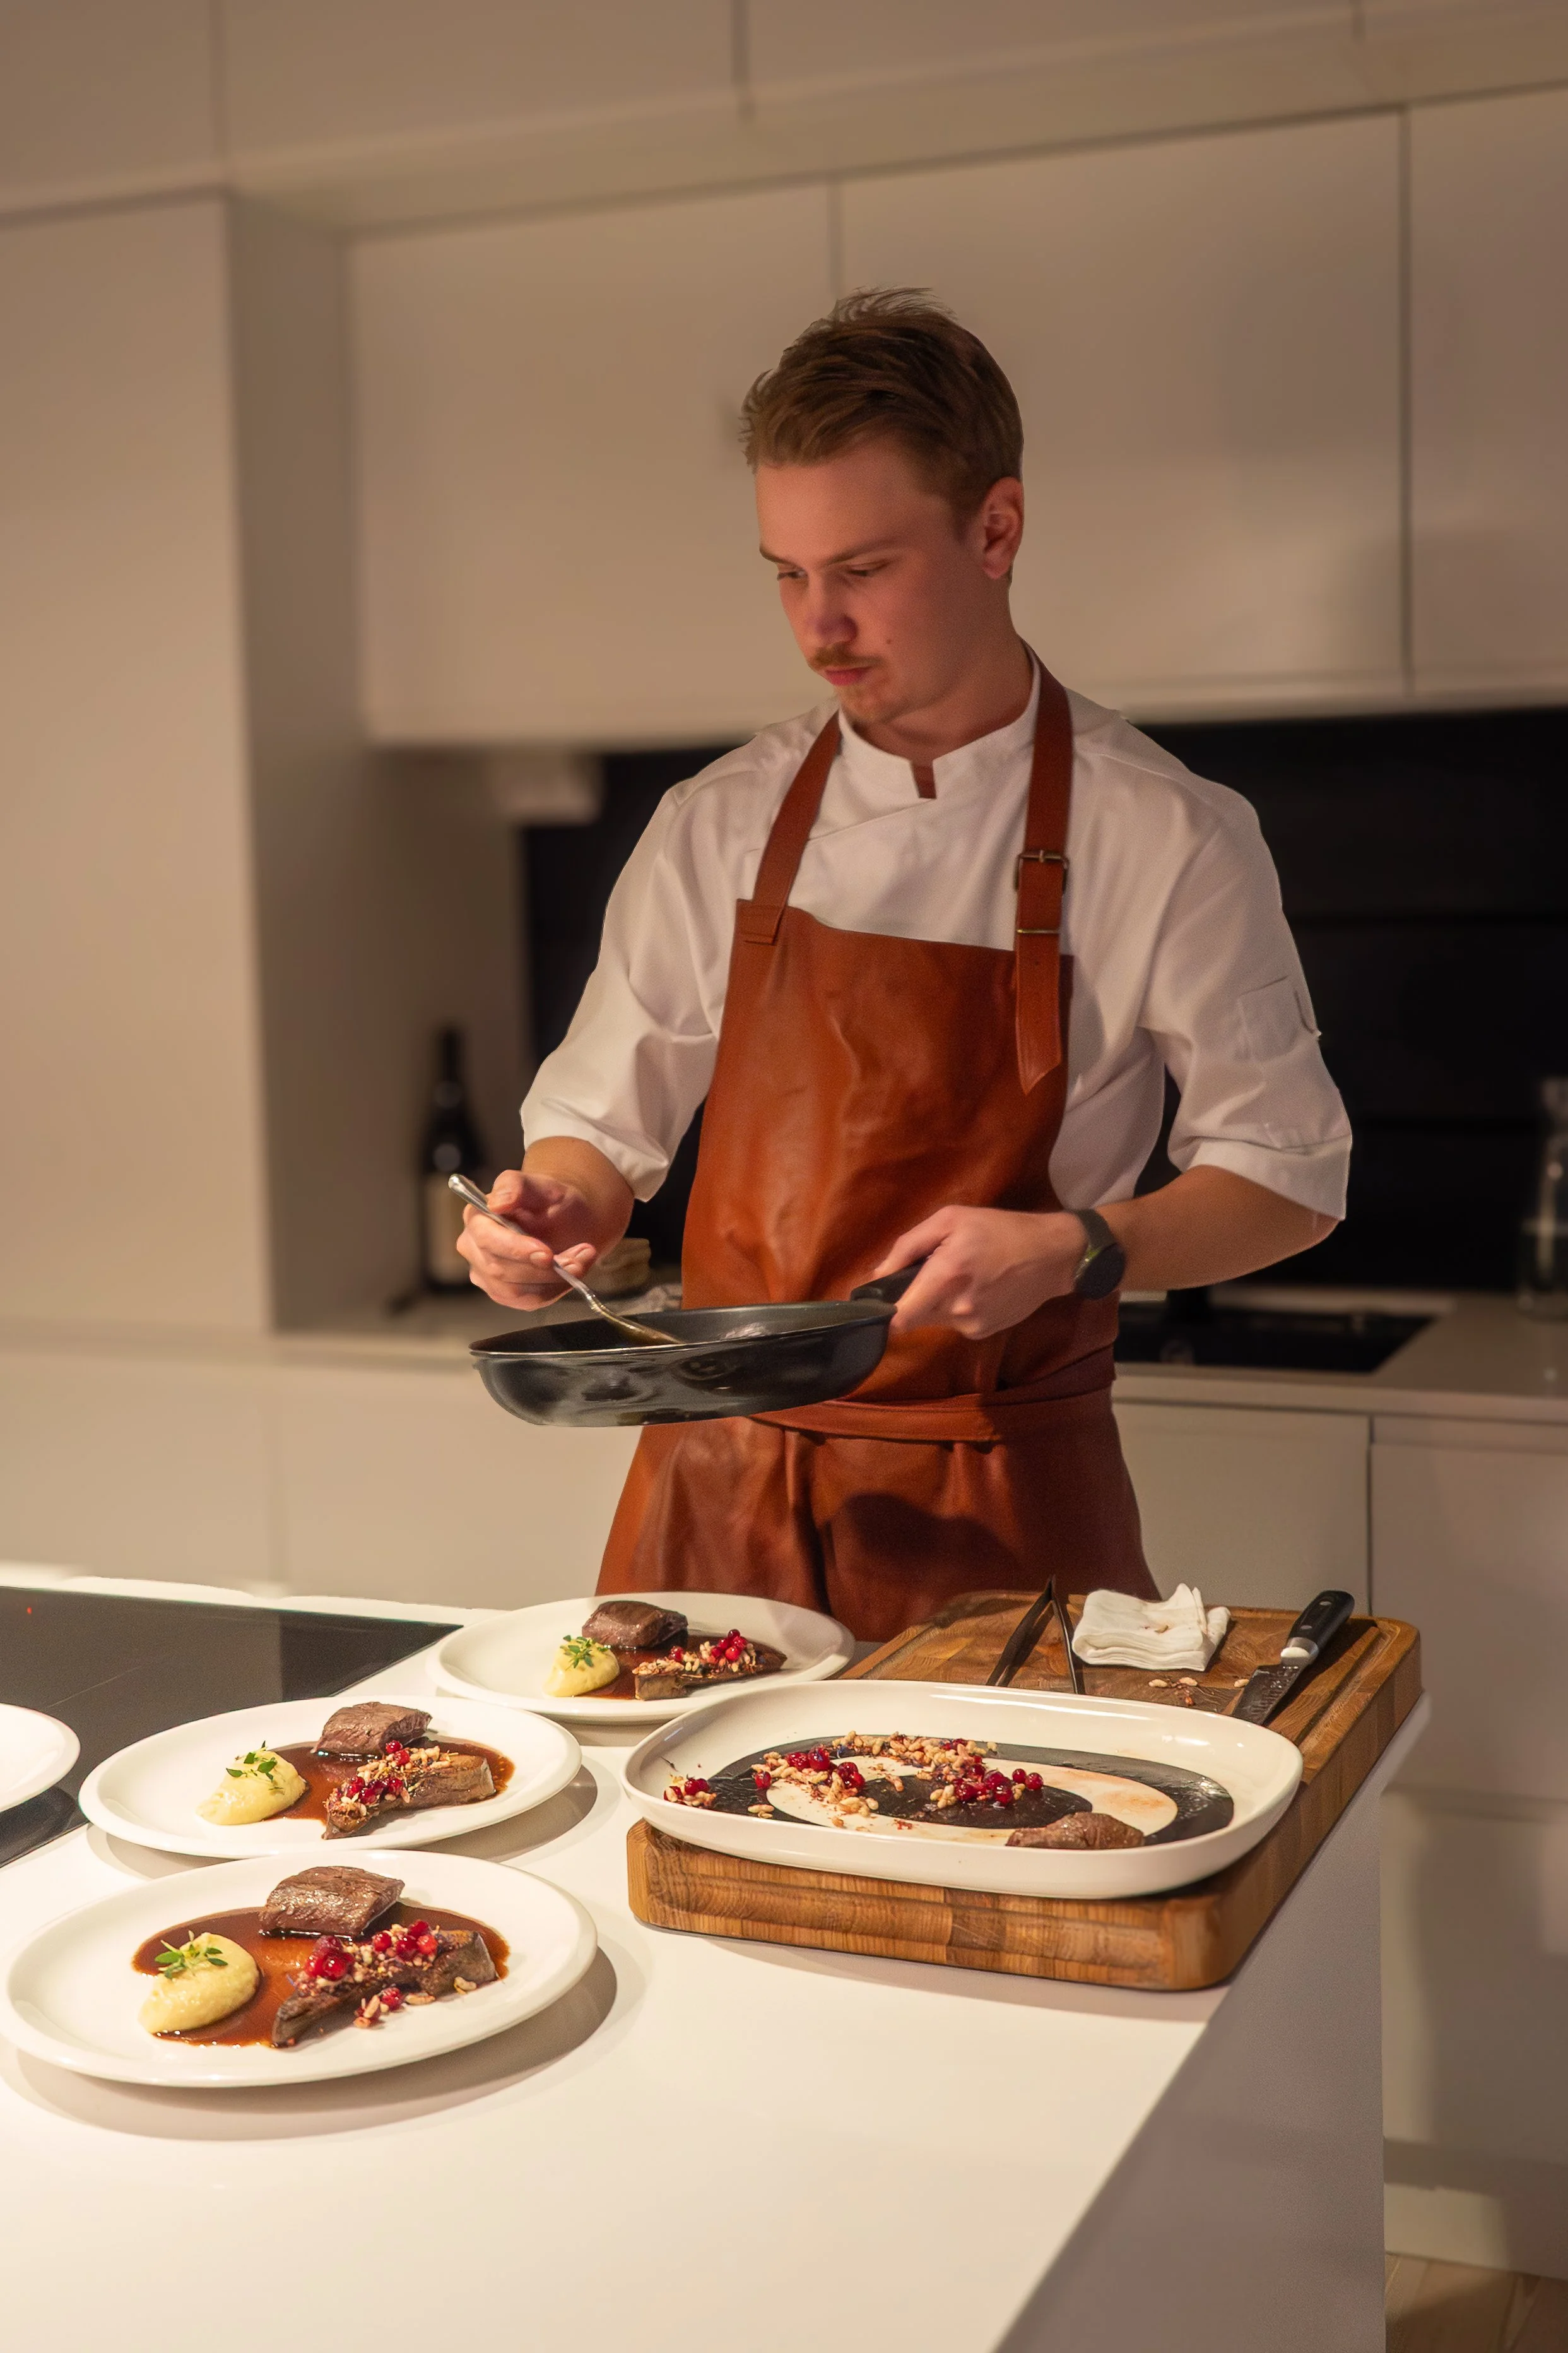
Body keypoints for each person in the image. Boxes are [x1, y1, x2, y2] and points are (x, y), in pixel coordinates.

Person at [458, 290, 1351, 1643]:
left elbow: (1290, 1181)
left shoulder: (1167, 832)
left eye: (863, 570)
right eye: (787, 572)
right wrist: (558, 1213)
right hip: (712, 1509)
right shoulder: (722, 823)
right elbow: (595, 1123)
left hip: (997, 1519)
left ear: (996, 528)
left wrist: (1078, 1246)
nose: (819, 627)